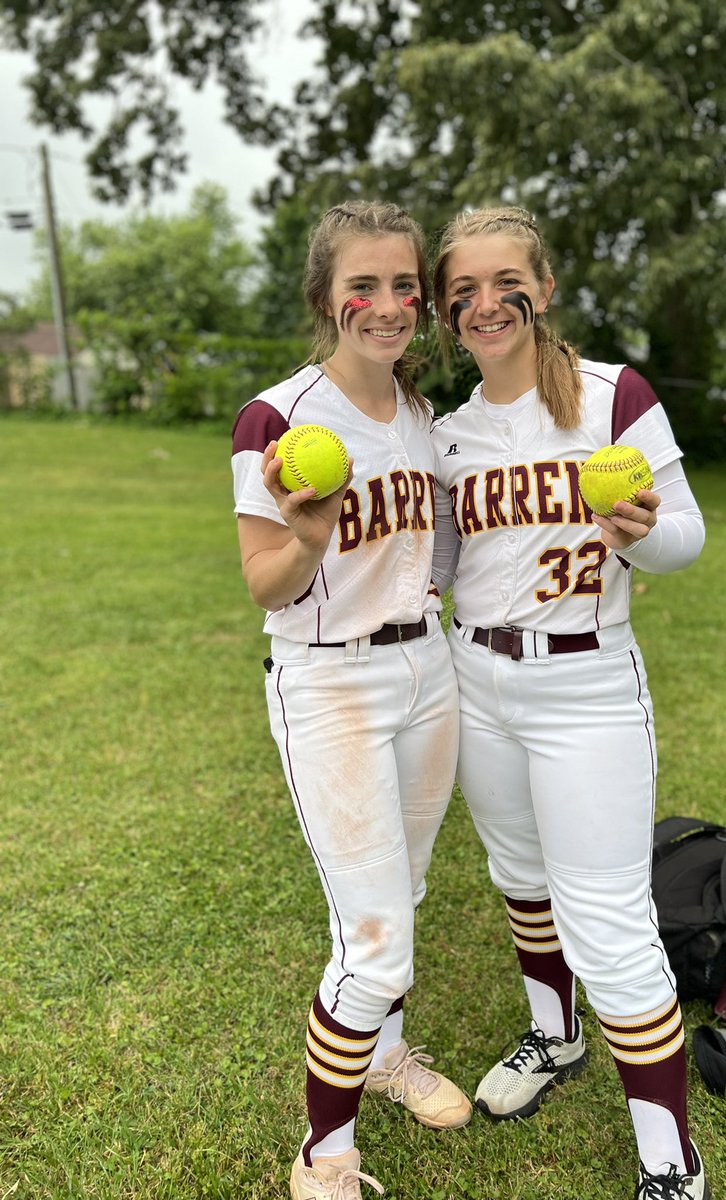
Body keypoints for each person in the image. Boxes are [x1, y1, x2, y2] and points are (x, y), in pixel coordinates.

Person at [429, 207, 710, 1200]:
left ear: (543, 290)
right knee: (520, 877)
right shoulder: (449, 431)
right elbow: (443, 567)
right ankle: (555, 1037)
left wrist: (636, 532)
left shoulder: (609, 396)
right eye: (461, 290)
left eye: (505, 281)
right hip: (479, 678)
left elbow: (687, 536)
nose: (484, 301)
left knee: (608, 917)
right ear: (447, 313)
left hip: (586, 681)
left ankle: (670, 1160)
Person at [231, 201, 471, 1200]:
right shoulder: (277, 417)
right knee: (372, 938)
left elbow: (442, 552)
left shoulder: (420, 416)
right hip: (330, 680)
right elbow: (264, 582)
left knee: (401, 898)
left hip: (429, 671)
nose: (386, 305)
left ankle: (384, 1054)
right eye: (362, 287)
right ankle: (324, 1155)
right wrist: (314, 534)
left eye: (403, 285)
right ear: (327, 297)